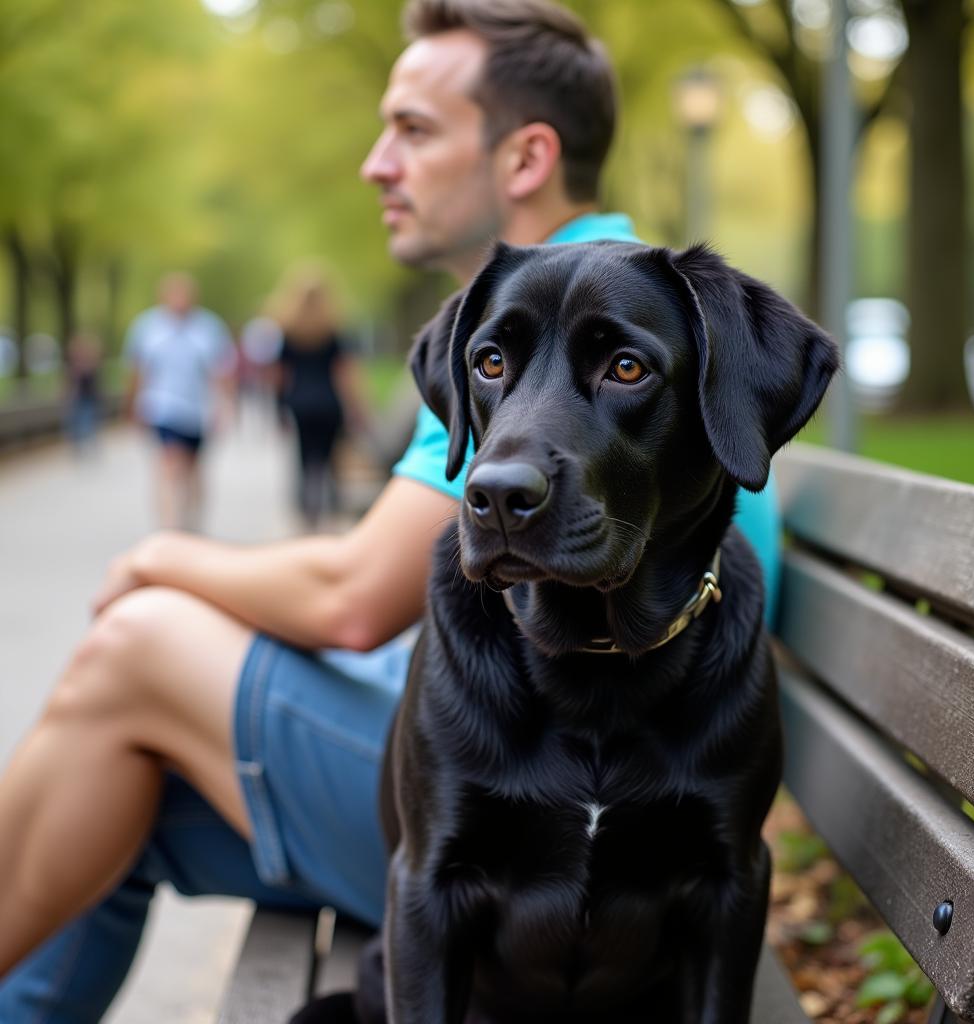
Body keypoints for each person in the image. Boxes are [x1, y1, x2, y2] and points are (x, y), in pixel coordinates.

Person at [0, 1, 782, 1019]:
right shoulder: (525, 327)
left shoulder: (620, 308)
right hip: (534, 756)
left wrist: (161, 556)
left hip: (600, 781)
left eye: (412, 128)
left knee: (136, 648)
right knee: (115, 811)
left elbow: (349, 598)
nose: (376, 163)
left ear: (525, 157)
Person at [123, 272, 236, 531]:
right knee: (169, 465)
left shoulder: (208, 327)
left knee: (194, 469)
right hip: (162, 408)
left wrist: (226, 406)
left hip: (198, 411)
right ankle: (169, 527)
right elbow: (138, 371)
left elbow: (221, 371)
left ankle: (192, 524)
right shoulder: (147, 327)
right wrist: (131, 407)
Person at [269, 269, 368, 528]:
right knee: (331, 461)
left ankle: (307, 515)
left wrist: (277, 407)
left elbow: (280, 375)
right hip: (328, 404)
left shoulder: (289, 332)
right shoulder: (333, 332)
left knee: (304, 460)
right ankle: (333, 514)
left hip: (300, 403)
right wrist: (357, 409)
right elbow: (344, 374)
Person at [63, 330, 104, 457]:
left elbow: (96, 382)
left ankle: (90, 445)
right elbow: (68, 383)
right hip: (78, 399)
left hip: (89, 399)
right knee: (76, 423)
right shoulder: (72, 367)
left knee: (88, 423)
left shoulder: (90, 365)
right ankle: (79, 447)